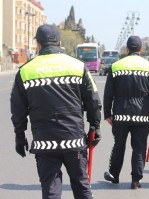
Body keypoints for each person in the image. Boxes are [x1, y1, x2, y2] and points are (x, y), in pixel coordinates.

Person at [10, 24, 102, 199]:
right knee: (82, 186)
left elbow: (18, 110)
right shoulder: (78, 66)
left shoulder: (25, 71)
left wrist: (19, 137)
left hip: (44, 142)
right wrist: (95, 127)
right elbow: (93, 101)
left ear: (38, 44)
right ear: (59, 42)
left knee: (51, 190)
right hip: (73, 140)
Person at [103, 36, 149, 189]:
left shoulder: (115, 67)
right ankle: (136, 180)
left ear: (126, 49)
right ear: (141, 50)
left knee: (119, 145)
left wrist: (107, 113)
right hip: (142, 116)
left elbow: (108, 93)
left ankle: (114, 175)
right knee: (139, 147)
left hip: (120, 114)